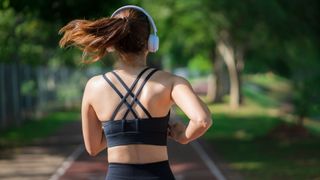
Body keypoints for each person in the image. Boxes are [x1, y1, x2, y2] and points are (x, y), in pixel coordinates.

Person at [59, 5, 212, 180]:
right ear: (151, 43)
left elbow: (93, 148)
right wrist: (183, 136)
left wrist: (118, 131)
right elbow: (202, 120)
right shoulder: (170, 82)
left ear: (111, 44)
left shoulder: (94, 87)